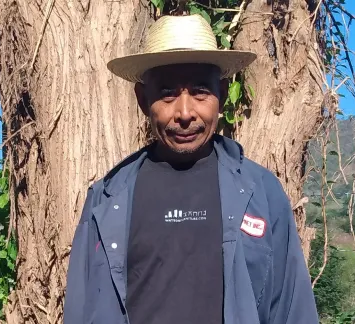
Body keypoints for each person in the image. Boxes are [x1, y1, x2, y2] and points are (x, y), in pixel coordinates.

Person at [63, 14, 318, 324]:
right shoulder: (106, 198)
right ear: (144, 101)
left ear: (222, 94)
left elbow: (292, 309)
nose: (184, 113)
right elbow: (81, 309)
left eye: (200, 92)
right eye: (167, 93)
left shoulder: (262, 192)